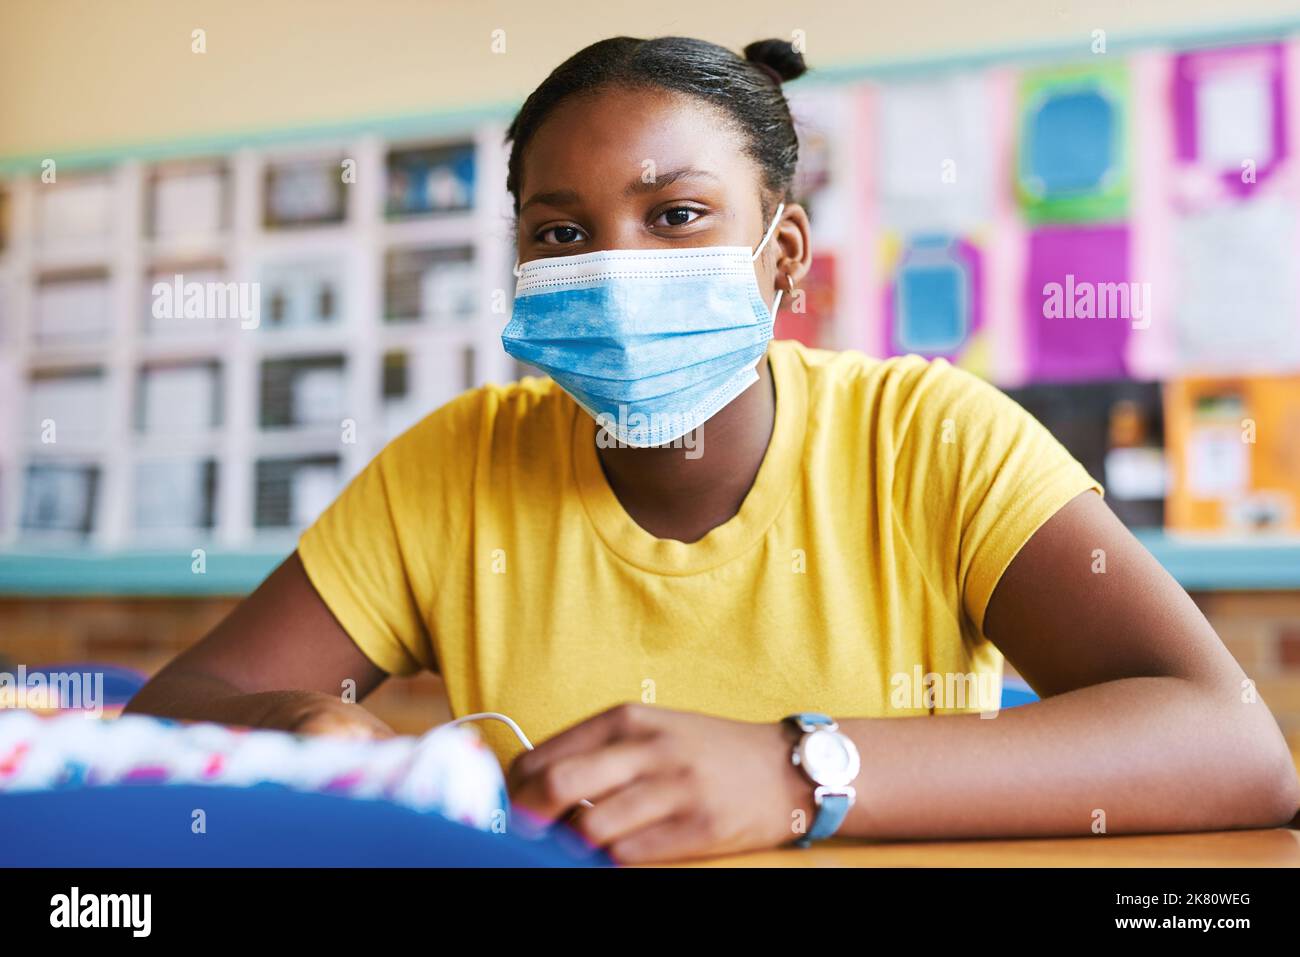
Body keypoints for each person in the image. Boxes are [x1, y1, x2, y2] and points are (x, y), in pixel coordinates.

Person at [127, 35, 1299, 863]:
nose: (619, 263)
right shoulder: (453, 467)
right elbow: (182, 701)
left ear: (782, 253)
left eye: (677, 215)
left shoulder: (930, 437)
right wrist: (298, 727)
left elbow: (1233, 748)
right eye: (563, 232)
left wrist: (798, 775)